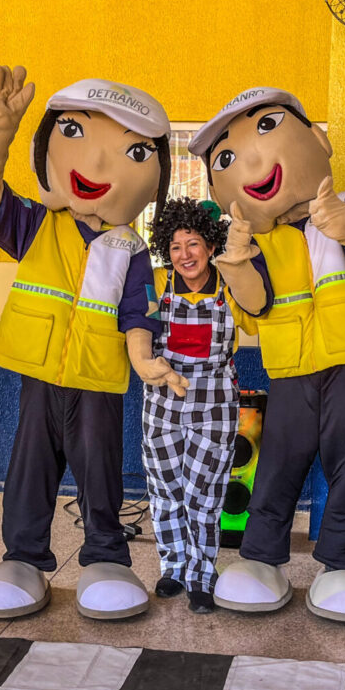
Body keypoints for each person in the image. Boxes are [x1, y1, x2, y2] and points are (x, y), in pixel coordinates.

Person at [0, 66, 185, 621]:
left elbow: (139, 311)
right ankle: (22, 557)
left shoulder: (129, 247)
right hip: (39, 372)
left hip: (98, 376)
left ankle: (106, 556)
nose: (98, 165)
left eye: (134, 154)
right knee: (30, 463)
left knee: (100, 467)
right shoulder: (38, 224)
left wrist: (143, 358)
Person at [187, 87, 345, 624]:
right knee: (278, 464)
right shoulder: (259, 239)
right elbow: (254, 312)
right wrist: (234, 266)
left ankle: (340, 566)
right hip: (290, 368)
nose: (250, 163)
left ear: (316, 140)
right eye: (225, 160)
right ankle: (260, 559)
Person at [142, 197, 244, 614]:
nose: (185, 255)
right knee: (165, 491)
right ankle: (173, 567)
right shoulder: (155, 284)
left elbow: (259, 315)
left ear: (210, 245)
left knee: (204, 494)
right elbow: (134, 332)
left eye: (194, 244)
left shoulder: (230, 287)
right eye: (177, 247)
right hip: (162, 403)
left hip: (215, 404)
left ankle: (202, 574)